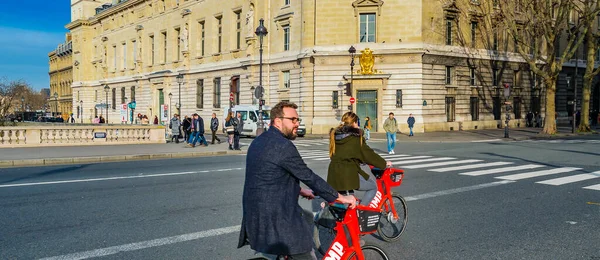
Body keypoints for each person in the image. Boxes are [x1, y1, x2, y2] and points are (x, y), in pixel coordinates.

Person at [238, 101, 357, 260]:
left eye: (297, 120)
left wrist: (300, 190)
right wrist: (340, 197)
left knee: (307, 217)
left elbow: (267, 175)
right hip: (275, 218)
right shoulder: (283, 146)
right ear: (278, 121)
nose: (297, 123)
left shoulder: (259, 141)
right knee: (304, 250)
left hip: (255, 215)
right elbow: (309, 176)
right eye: (293, 120)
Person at [328, 112, 391, 206]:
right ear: (353, 123)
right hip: (347, 174)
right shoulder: (355, 138)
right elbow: (368, 154)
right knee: (373, 187)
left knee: (347, 202)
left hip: (333, 174)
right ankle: (361, 211)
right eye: (357, 122)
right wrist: (384, 163)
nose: (358, 125)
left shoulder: (336, 136)